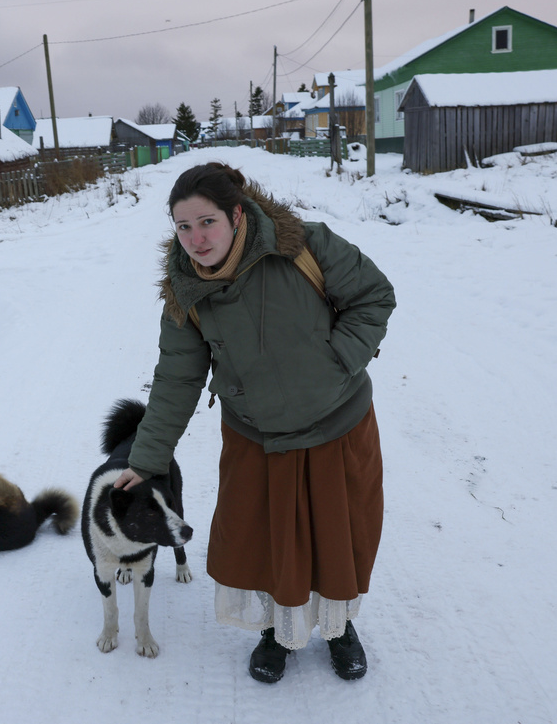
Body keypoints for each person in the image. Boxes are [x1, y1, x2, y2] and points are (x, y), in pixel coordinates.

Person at [114, 162, 395, 683]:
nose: (196, 239)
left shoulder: (302, 245)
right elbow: (177, 379)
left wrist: (337, 362)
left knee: (336, 536)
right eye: (183, 227)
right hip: (258, 436)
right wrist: (147, 459)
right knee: (266, 539)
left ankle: (338, 629)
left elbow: (374, 294)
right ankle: (276, 630)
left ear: (237, 215)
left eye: (207, 222)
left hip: (338, 425)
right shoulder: (185, 292)